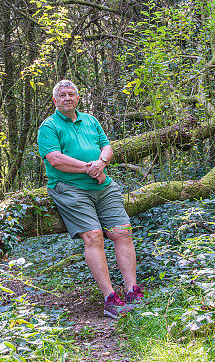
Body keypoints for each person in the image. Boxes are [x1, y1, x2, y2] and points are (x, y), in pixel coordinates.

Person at [37, 79, 144, 318]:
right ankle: (110, 298)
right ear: (55, 101)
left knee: (122, 233)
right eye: (62, 95)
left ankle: (132, 291)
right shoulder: (49, 126)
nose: (67, 98)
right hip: (70, 188)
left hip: (103, 186)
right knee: (94, 235)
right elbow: (55, 159)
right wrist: (90, 167)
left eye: (71, 94)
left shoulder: (91, 121)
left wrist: (102, 163)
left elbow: (107, 147)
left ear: (77, 98)